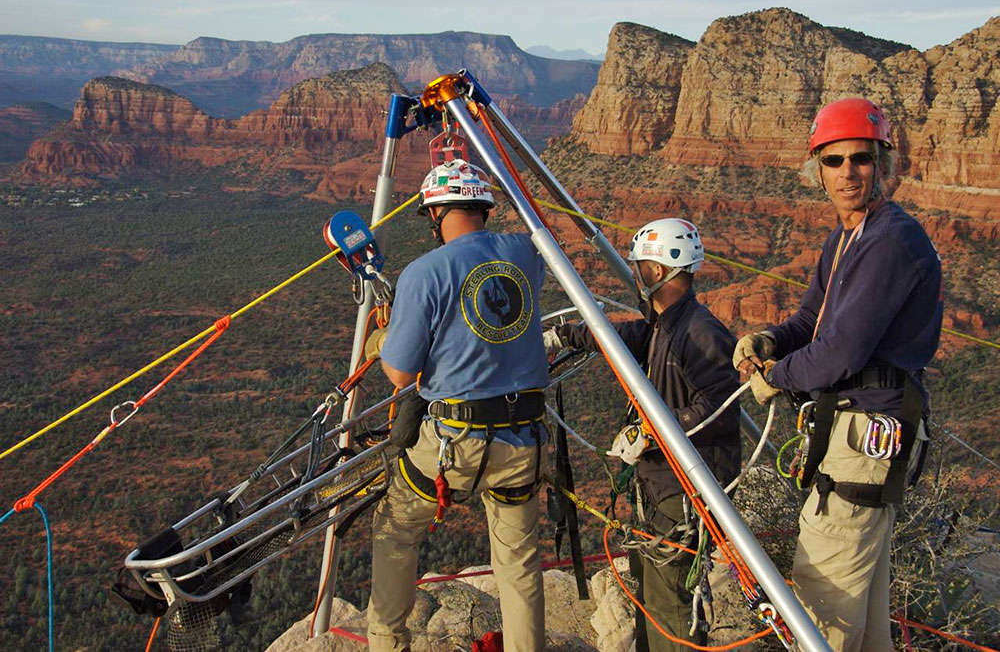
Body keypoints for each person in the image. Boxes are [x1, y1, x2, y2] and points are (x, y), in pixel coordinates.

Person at [733, 97, 942, 651]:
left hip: (865, 435)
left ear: (882, 164)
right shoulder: (846, 237)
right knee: (863, 616)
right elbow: (811, 321)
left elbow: (843, 351)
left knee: (822, 607)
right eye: (834, 161)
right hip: (852, 432)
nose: (848, 172)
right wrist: (769, 341)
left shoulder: (890, 241)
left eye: (861, 159)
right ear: (817, 169)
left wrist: (774, 379)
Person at [364, 158, 549, 652]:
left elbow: (401, 374)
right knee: (519, 562)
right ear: (485, 206)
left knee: (397, 528)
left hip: (454, 446)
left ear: (436, 211)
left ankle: (387, 642)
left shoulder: (425, 272)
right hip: (523, 441)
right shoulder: (527, 253)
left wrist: (382, 339)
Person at [544, 218, 741, 651]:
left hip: (683, 492)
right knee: (651, 595)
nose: (634, 275)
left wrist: (652, 432)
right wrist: (562, 336)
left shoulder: (699, 331)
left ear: (655, 271)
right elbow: (616, 336)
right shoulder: (663, 325)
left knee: (672, 602)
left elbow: (721, 410)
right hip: (659, 487)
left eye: (638, 267)